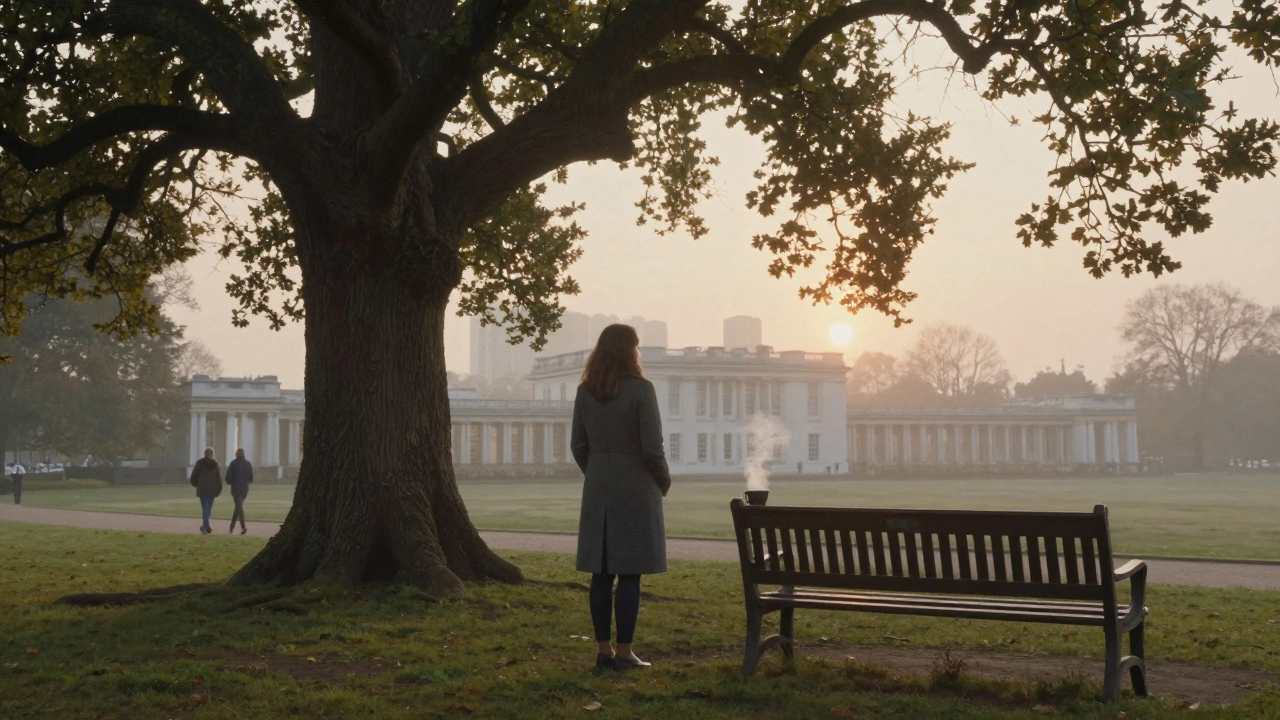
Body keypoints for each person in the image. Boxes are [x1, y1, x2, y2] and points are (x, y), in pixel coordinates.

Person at [571, 324, 671, 671]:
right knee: (630, 572)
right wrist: (662, 480)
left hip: (599, 485)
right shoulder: (642, 390)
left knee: (600, 573)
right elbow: (652, 447)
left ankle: (603, 650)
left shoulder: (586, 391)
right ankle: (625, 652)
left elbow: (578, 446)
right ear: (631, 351)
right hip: (635, 486)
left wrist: (598, 473)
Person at [188, 448, 222, 534]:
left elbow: (194, 476)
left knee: (205, 509)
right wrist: (219, 489)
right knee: (208, 510)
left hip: (202, 489)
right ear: (212, 454)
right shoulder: (215, 464)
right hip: (212, 489)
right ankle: (207, 526)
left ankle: (204, 526)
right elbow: (218, 478)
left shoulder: (200, 463)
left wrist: (197, 484)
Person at [225, 448, 254, 534]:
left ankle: (242, 527)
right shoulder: (248, 464)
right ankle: (232, 527)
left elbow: (228, 478)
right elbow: (251, 478)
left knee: (239, 508)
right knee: (238, 508)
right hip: (244, 489)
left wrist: (232, 482)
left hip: (236, 489)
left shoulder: (233, 463)